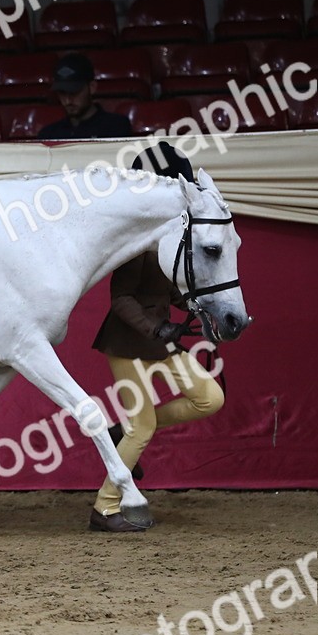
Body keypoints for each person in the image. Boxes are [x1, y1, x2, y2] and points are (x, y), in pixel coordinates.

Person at [88, 143, 225, 533]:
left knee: (209, 398)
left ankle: (121, 434)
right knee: (142, 427)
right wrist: (156, 328)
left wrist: (202, 308)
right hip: (130, 343)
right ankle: (106, 507)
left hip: (163, 338)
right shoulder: (134, 239)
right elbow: (120, 299)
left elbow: (172, 288)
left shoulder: (174, 229)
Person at [36, 52, 133, 140]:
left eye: (74, 92)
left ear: (92, 87)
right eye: (62, 93)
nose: (68, 100)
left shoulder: (115, 127)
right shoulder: (48, 134)